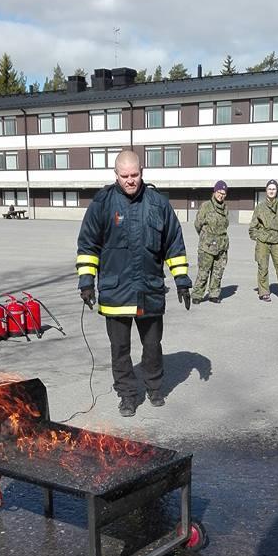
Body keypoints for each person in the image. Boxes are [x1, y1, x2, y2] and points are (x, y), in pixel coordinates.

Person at [75, 149, 192, 417]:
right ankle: (127, 394)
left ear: (143, 172)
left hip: (149, 290)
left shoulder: (158, 203)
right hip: (116, 292)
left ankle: (154, 387)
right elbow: (88, 244)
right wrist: (86, 281)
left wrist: (182, 280)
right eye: (125, 175)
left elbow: (174, 243)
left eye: (135, 175)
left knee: (152, 346)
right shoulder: (102, 204)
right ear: (115, 175)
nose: (130, 180)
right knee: (120, 349)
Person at [248, 180, 278, 302]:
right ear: (266, 191)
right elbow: (253, 227)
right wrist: (257, 236)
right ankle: (264, 292)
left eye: (273, 189)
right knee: (263, 267)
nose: (271, 191)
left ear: (277, 191)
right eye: (269, 189)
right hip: (263, 241)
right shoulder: (260, 207)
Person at [191, 180, 230, 305]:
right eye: (219, 192)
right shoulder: (206, 206)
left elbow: (225, 225)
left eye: (224, 193)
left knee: (218, 272)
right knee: (204, 271)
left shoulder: (225, 208)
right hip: (207, 246)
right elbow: (198, 224)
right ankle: (197, 294)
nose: (221, 195)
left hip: (222, 245)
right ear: (214, 192)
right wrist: (205, 237)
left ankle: (214, 294)